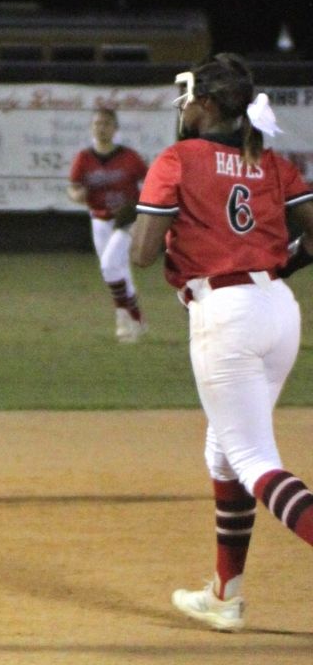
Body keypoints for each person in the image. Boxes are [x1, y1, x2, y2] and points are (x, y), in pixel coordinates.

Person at [131, 53, 313, 632]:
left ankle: (226, 595)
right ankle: (224, 595)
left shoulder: (178, 158)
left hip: (224, 312)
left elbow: (141, 251)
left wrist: (168, 204)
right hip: (277, 310)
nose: (182, 106)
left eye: (188, 97)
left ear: (208, 103)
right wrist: (279, 267)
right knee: (224, 453)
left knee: (255, 461)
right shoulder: (274, 163)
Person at [67, 108, 149, 342]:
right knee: (117, 270)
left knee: (110, 265)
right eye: (97, 123)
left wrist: (144, 204)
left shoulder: (130, 157)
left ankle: (124, 319)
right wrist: (76, 194)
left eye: (106, 123)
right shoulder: (84, 158)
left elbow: (150, 180)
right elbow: (73, 186)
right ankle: (137, 318)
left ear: (115, 128)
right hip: (100, 219)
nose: (101, 127)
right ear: (92, 128)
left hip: (127, 218)